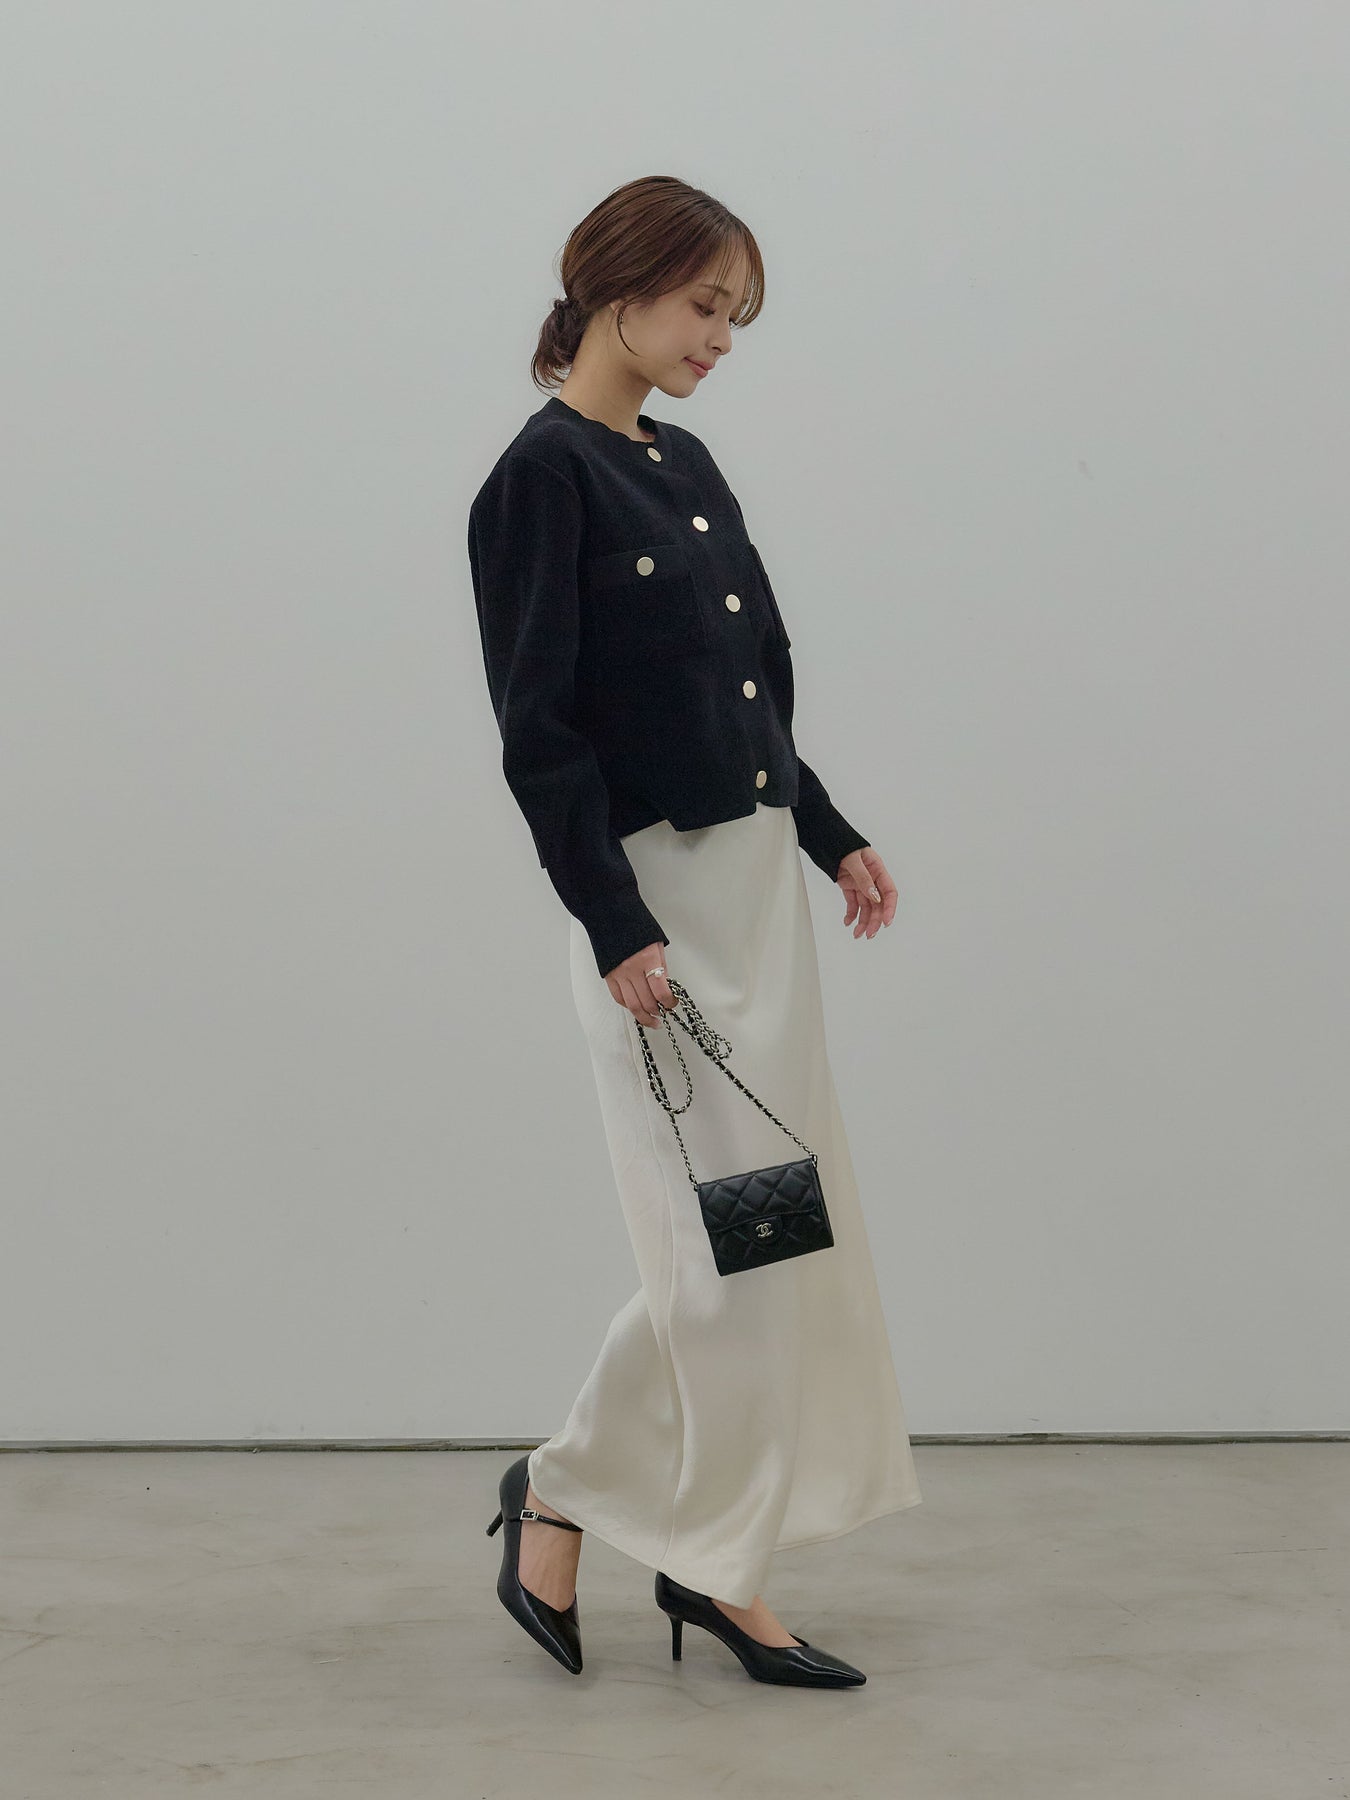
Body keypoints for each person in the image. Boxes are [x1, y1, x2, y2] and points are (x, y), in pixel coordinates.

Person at [469, 175, 922, 1686]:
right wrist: (613, 924)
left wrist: (832, 833)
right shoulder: (539, 481)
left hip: (756, 905)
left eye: (737, 317)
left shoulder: (688, 459)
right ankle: (679, 1549)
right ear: (617, 289)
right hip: (657, 915)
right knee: (718, 1260)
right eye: (705, 307)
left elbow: (751, 690)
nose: (721, 340)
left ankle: (592, 1504)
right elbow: (541, 735)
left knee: (769, 1245)